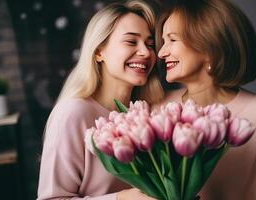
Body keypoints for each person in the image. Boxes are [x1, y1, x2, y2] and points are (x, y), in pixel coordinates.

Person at [37, 0, 164, 199]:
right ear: (99, 51)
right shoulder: (72, 113)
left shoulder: (148, 114)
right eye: (131, 41)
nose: (146, 52)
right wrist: (122, 198)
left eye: (150, 44)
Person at [155, 0, 256, 199]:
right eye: (163, 41)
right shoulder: (158, 110)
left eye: (172, 40)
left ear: (209, 46)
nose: (161, 52)